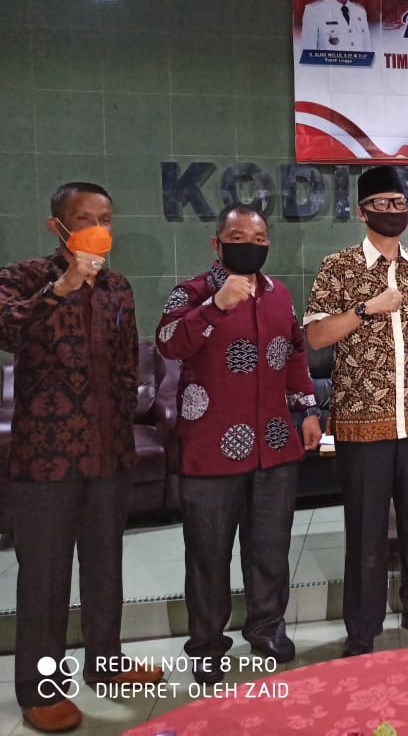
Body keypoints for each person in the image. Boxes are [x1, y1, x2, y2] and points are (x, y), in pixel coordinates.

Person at [0, 182, 162, 734]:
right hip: (47, 458)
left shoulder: (118, 286)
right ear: (58, 226)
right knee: (44, 576)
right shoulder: (24, 277)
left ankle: (106, 664)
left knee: (104, 568)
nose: (97, 227)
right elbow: (7, 329)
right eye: (84, 217)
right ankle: (40, 689)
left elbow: (126, 364)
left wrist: (123, 429)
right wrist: (62, 287)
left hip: (108, 453)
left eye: (105, 218)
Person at [155, 205, 322, 683]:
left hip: (275, 443)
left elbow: (295, 355)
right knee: (208, 554)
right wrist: (216, 305)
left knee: (269, 548)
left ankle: (267, 629)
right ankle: (207, 644)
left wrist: (308, 409)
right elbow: (169, 344)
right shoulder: (191, 292)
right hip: (210, 449)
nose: (249, 244)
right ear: (217, 243)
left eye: (258, 238)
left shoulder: (279, 294)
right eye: (238, 236)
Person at [304, 165, 408, 652]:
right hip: (361, 422)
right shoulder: (338, 267)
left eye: (399, 203)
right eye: (382, 204)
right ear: (362, 211)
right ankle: (363, 625)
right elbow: (316, 336)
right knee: (366, 529)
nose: (393, 211)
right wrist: (365, 308)